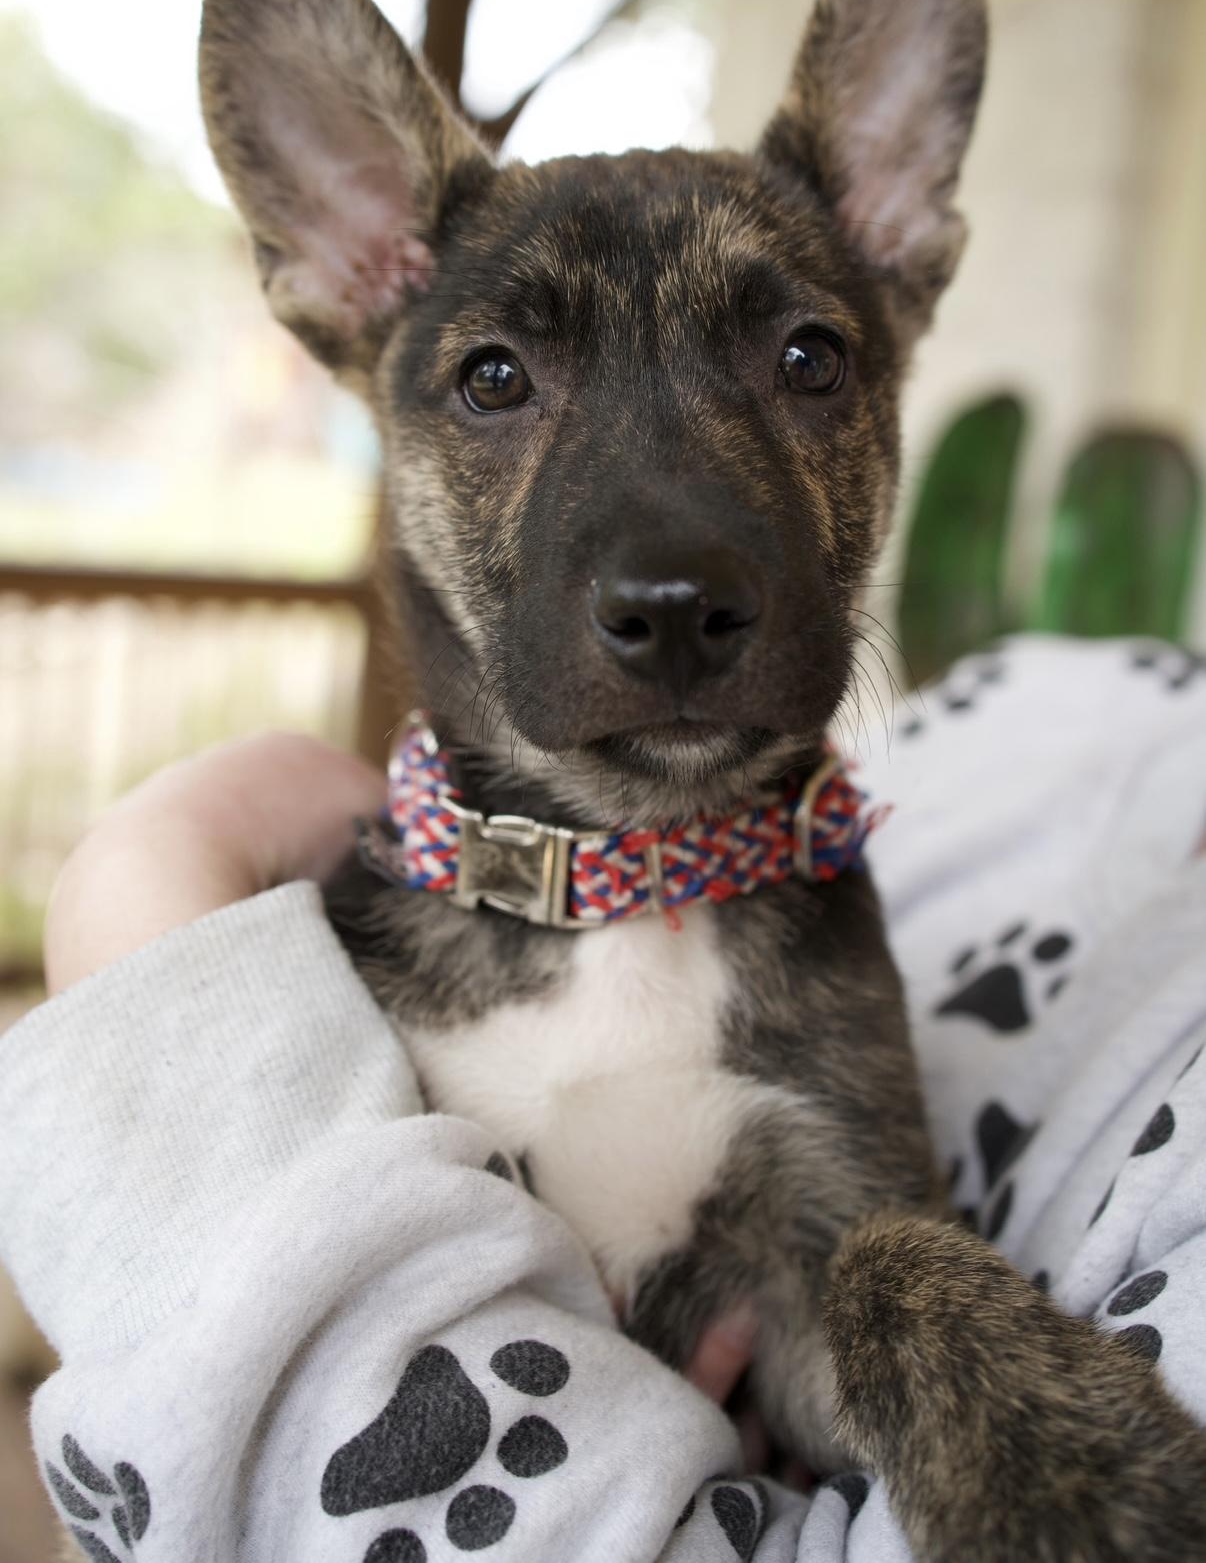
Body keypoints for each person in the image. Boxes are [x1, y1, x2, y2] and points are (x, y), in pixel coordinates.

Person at [3, 635, 1206, 1562]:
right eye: (497, 379)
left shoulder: (832, 946)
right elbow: (209, 1336)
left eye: (802, 359)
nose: (672, 556)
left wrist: (149, 868)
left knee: (892, 1277)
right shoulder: (324, 924)